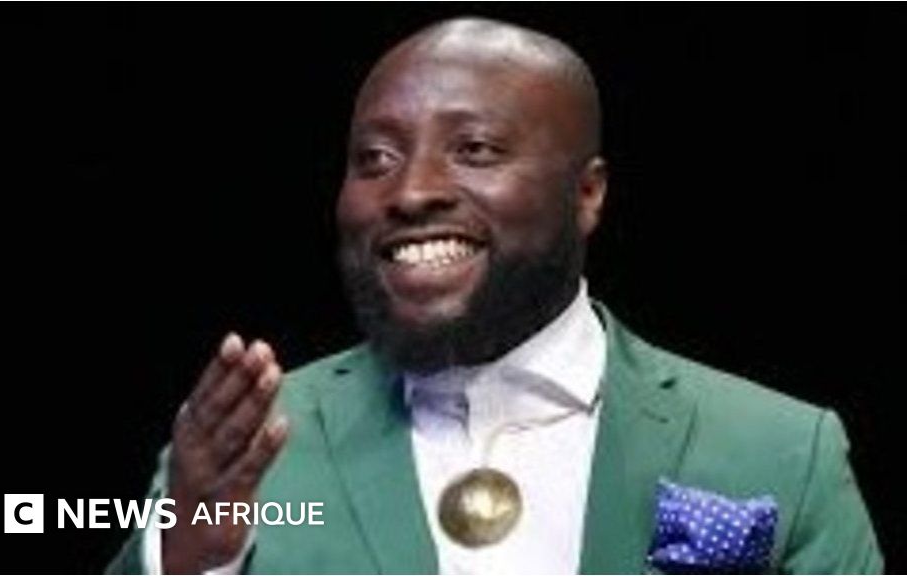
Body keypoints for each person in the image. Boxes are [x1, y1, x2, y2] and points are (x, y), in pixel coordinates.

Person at [106, 17, 882, 574]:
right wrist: (190, 556)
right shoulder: (248, 452)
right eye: (374, 158)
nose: (410, 191)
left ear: (587, 193)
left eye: (474, 149)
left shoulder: (779, 450)